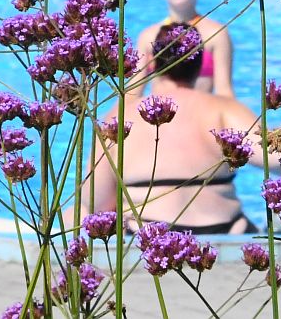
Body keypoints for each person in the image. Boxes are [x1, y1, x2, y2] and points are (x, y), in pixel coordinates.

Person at [81, 23, 265, 234]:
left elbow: (98, 202)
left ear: (153, 64)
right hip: (225, 230)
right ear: (200, 64)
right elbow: (274, 159)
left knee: (73, 216)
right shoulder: (222, 109)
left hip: (145, 233)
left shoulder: (119, 116)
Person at [137, 0, 235, 96]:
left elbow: (224, 91)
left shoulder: (216, 33)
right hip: (161, 116)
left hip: (199, 115)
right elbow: (133, 91)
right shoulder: (148, 36)